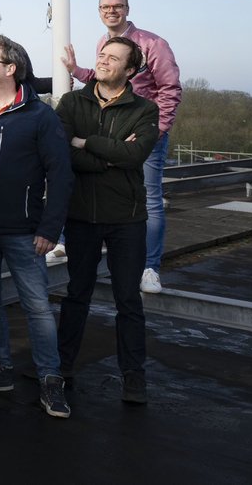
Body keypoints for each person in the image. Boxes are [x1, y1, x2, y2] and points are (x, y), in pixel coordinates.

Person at [0, 37, 74, 418]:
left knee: (37, 305)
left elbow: (60, 175)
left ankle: (50, 379)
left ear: (10, 68)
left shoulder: (40, 115)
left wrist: (50, 228)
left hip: (25, 230)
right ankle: (0, 368)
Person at [56, 36, 159, 404]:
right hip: (82, 215)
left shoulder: (145, 109)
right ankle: (61, 366)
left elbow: (133, 156)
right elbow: (62, 152)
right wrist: (108, 155)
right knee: (76, 295)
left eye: (114, 58)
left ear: (130, 70)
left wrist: (87, 143)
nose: (104, 61)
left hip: (125, 218)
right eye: (102, 55)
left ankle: (133, 377)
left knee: (128, 300)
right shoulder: (71, 102)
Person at [61, 0, 181, 294]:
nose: (111, 11)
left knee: (150, 199)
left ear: (127, 8)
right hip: (112, 134)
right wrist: (76, 71)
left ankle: (149, 267)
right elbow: (106, 79)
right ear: (99, 11)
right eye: (105, 7)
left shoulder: (153, 43)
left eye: (117, 6)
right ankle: (68, 243)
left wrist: (156, 132)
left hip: (143, 133)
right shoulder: (105, 43)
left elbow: (170, 88)